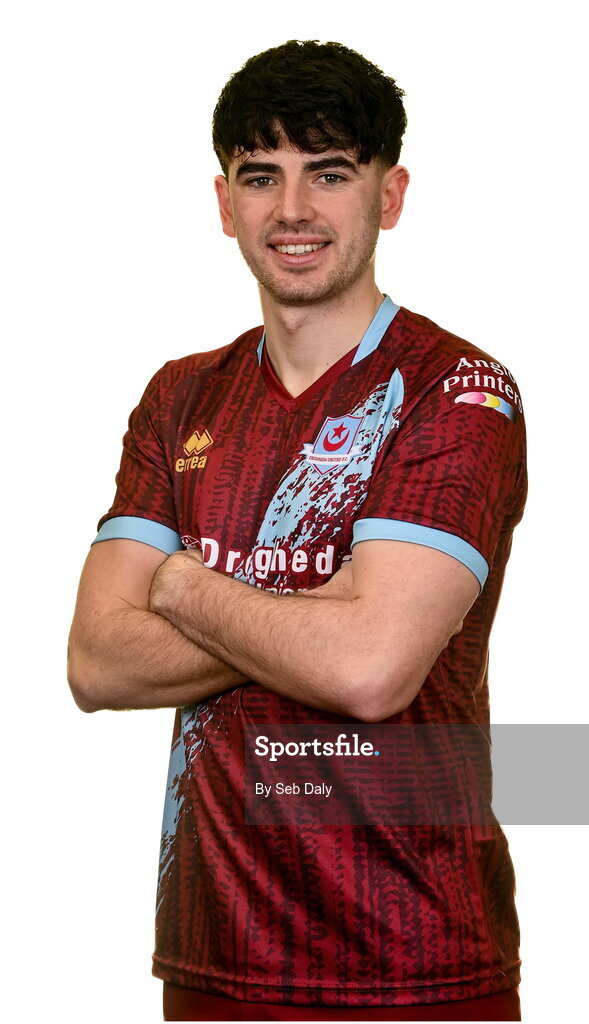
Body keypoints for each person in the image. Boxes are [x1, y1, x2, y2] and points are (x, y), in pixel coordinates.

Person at [68, 39, 526, 1022]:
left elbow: (370, 669)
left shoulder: (455, 391)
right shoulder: (179, 394)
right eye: (260, 176)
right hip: (211, 959)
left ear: (388, 194)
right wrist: (310, 614)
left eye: (329, 173)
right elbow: (97, 662)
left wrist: (188, 586)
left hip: (413, 958)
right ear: (224, 201)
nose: (292, 210)